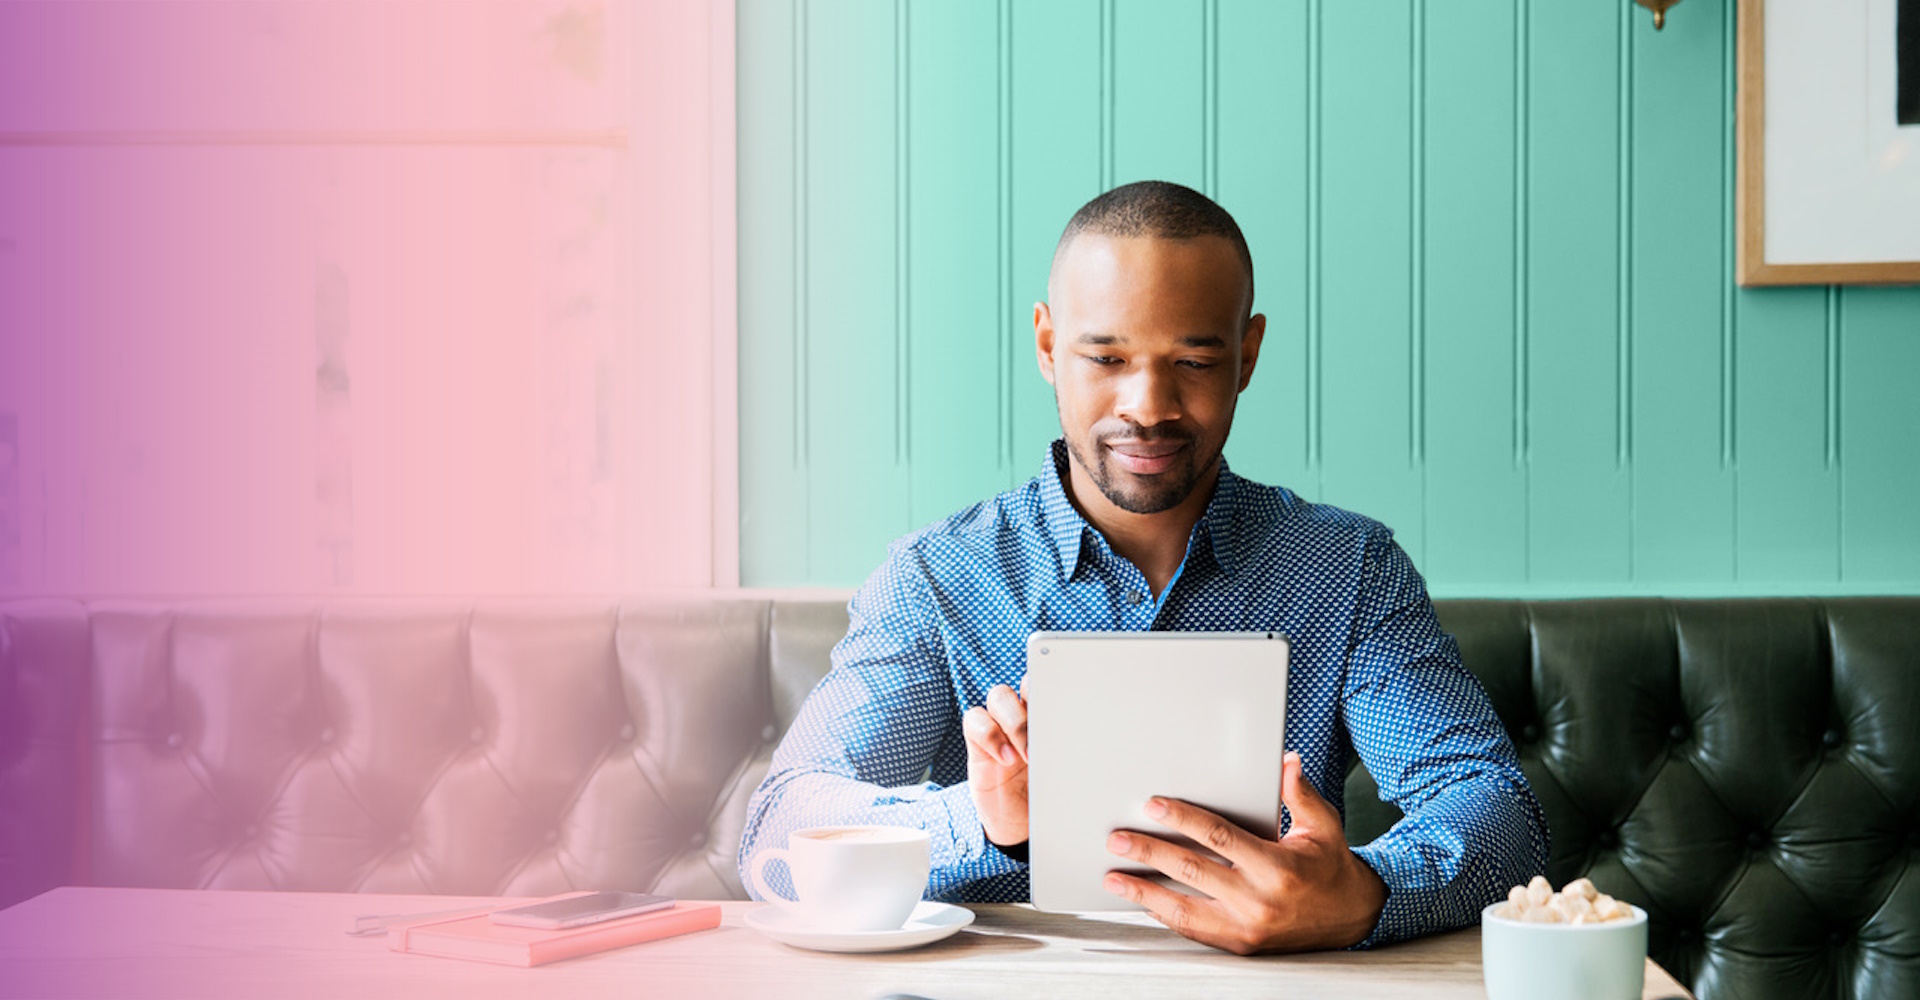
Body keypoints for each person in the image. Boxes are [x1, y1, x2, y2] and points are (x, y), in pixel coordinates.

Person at [737, 180, 1548, 954]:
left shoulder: (1348, 567)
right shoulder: (940, 576)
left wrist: (1365, 891)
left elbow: (1498, 812)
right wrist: (984, 823)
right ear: (1050, 346)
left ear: (1248, 353)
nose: (1149, 406)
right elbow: (778, 827)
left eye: (1193, 362)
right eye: (1108, 358)